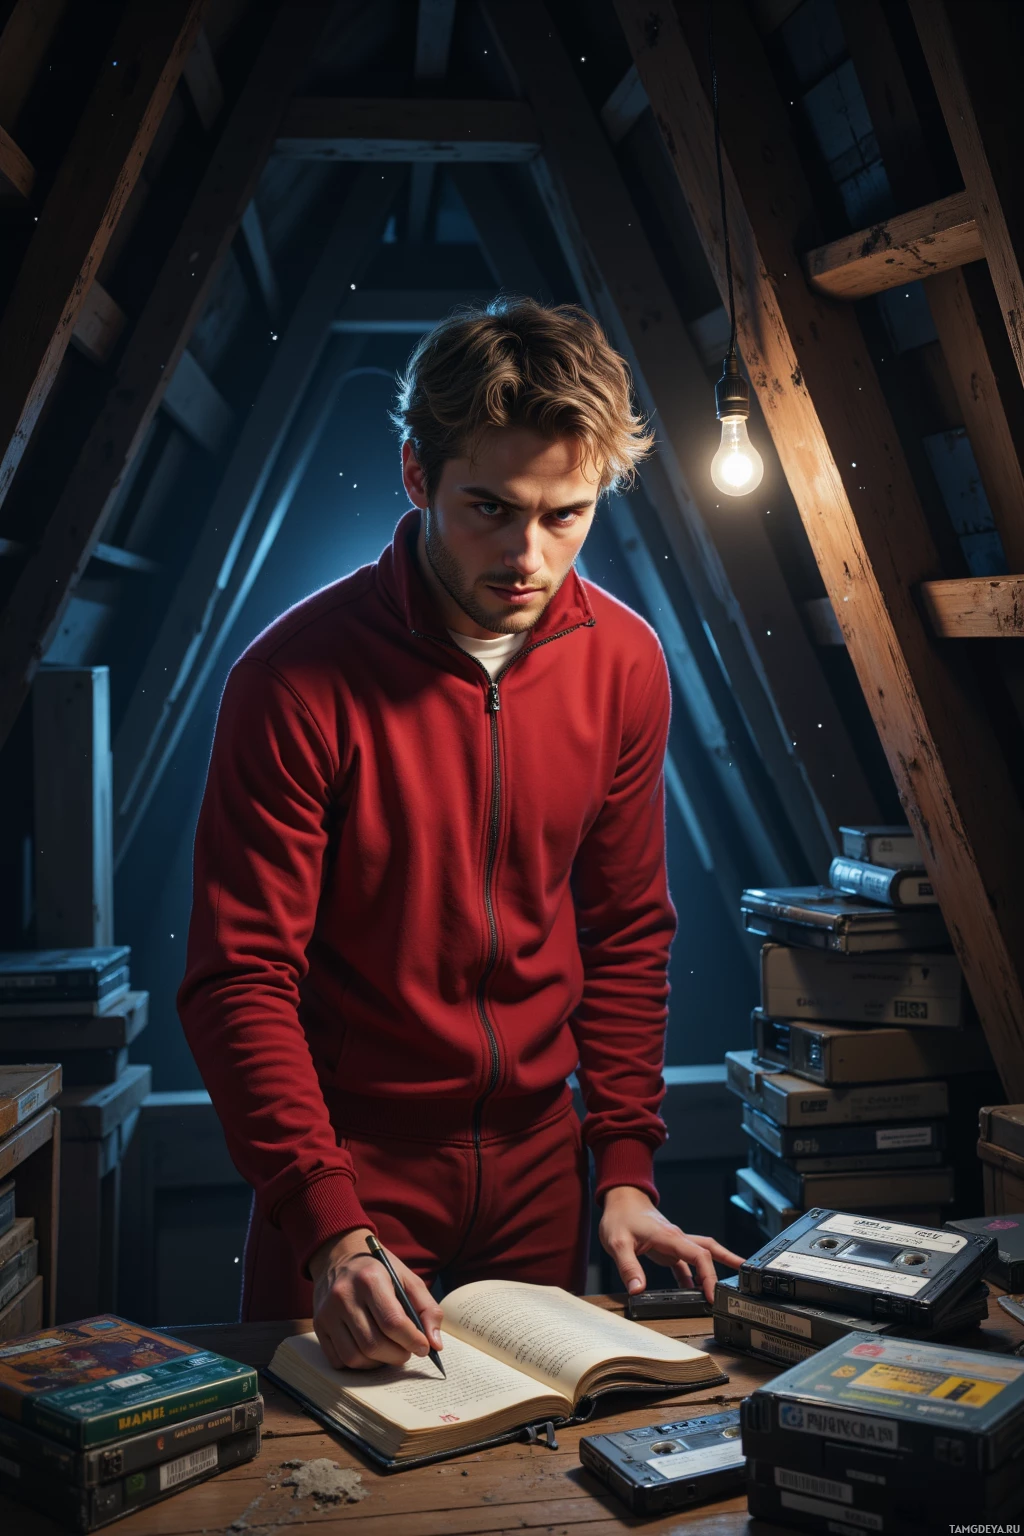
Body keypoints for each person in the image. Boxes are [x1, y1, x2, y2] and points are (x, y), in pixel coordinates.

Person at [178, 296, 741, 1374]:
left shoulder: (625, 665)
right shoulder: (292, 680)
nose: (527, 555)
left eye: (565, 514)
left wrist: (622, 1169)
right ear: (415, 476)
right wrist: (326, 1218)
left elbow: (624, 932)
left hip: (543, 1174)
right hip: (351, 1174)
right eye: (488, 506)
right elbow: (239, 976)